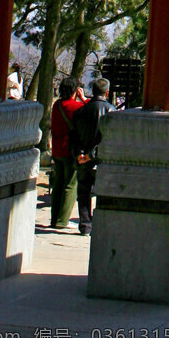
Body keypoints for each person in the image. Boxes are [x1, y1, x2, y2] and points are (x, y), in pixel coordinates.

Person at [70, 77, 113, 234]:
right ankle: (101, 223)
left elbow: (73, 135)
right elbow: (110, 140)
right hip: (102, 159)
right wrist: (93, 154)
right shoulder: (111, 111)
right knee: (104, 192)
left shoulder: (81, 111)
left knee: (83, 192)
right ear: (107, 92)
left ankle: (85, 224)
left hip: (82, 159)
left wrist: (79, 154)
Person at [48, 79, 85, 229]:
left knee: (58, 184)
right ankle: (62, 220)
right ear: (75, 90)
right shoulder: (76, 106)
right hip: (70, 150)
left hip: (57, 149)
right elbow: (90, 112)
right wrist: (83, 99)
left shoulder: (57, 105)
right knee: (70, 184)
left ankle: (54, 217)